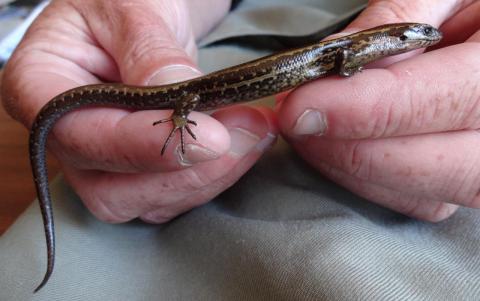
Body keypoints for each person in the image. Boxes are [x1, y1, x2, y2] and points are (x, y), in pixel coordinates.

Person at [1, 0, 479, 299]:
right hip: (202, 77)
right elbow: (348, 65)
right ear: (391, 39)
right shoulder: (352, 49)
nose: (421, 38)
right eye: (414, 35)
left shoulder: (357, 47)